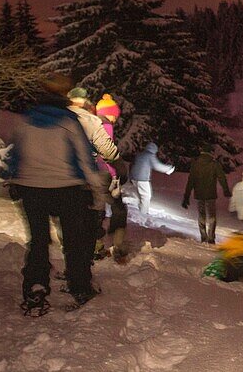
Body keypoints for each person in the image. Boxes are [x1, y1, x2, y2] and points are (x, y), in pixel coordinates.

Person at [7, 74, 106, 315]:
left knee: (38, 240)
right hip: (67, 189)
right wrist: (97, 191)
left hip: (31, 189)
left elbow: (15, 155)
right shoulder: (69, 121)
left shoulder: (26, 119)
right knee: (75, 240)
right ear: (65, 94)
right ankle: (80, 286)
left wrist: (13, 180)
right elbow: (84, 159)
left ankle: (36, 287)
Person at [66, 88, 120, 261]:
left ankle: (81, 248)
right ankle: (93, 248)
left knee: (78, 214)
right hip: (94, 174)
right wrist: (115, 173)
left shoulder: (66, 119)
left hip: (70, 174)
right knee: (95, 212)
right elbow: (107, 152)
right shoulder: (100, 124)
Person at [95, 94, 129, 262]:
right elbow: (107, 153)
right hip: (104, 174)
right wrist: (116, 174)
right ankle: (118, 246)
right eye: (114, 114)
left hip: (92, 173)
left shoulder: (93, 123)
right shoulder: (106, 125)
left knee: (98, 209)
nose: (115, 118)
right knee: (119, 208)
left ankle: (96, 246)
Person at [182, 146, 231, 243]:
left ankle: (203, 236)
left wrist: (186, 197)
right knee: (212, 216)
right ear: (210, 153)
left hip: (199, 194)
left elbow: (190, 181)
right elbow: (222, 178)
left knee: (201, 215)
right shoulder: (214, 164)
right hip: (211, 194)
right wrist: (226, 190)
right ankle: (211, 238)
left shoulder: (195, 164)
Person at [130, 141, 175, 221]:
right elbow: (157, 166)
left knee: (141, 196)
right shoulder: (149, 155)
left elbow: (132, 164)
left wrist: (131, 176)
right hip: (142, 179)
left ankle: (141, 211)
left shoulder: (140, 154)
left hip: (134, 178)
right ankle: (142, 216)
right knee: (146, 197)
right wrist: (168, 169)